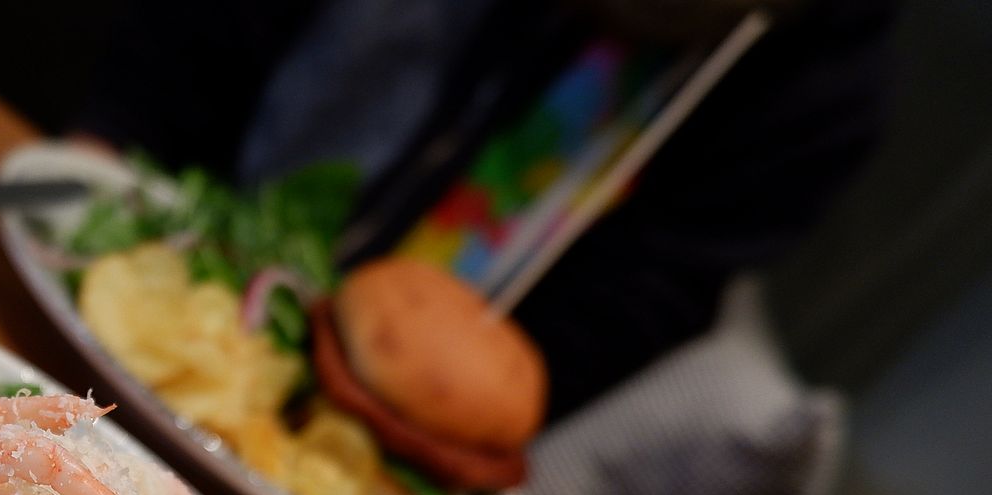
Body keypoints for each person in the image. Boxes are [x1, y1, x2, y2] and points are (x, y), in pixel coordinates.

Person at [73, 0, 896, 422]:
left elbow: (625, 314)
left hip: (339, 442)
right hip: (117, 261)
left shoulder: (823, 93)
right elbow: (184, 52)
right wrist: (95, 168)